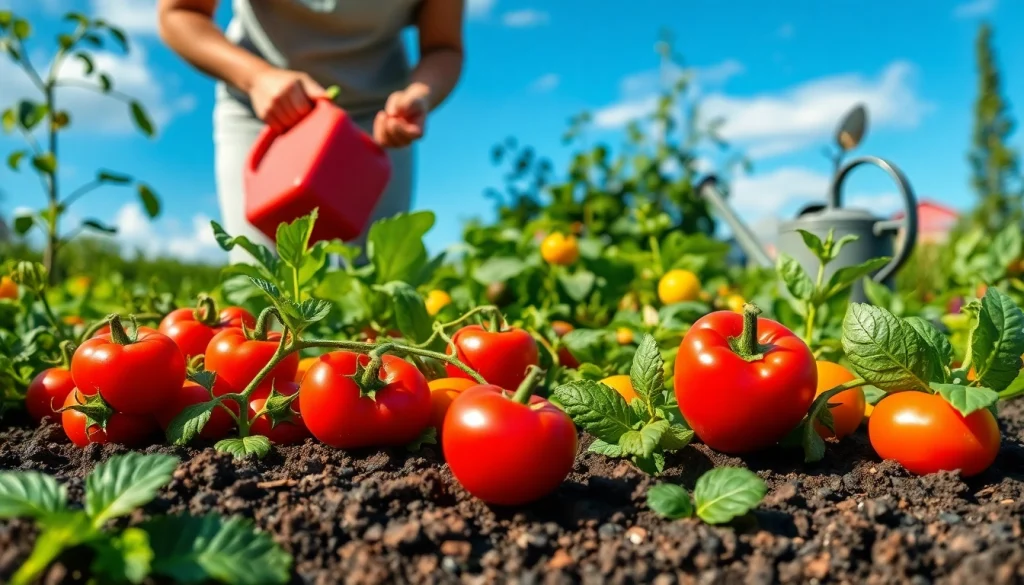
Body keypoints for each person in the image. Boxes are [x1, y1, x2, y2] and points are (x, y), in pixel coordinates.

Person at [157, 0, 464, 263]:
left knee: (373, 290)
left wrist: (420, 95)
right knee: (264, 291)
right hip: (267, 112)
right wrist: (257, 77)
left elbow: (443, 46)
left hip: (374, 126)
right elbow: (180, 12)